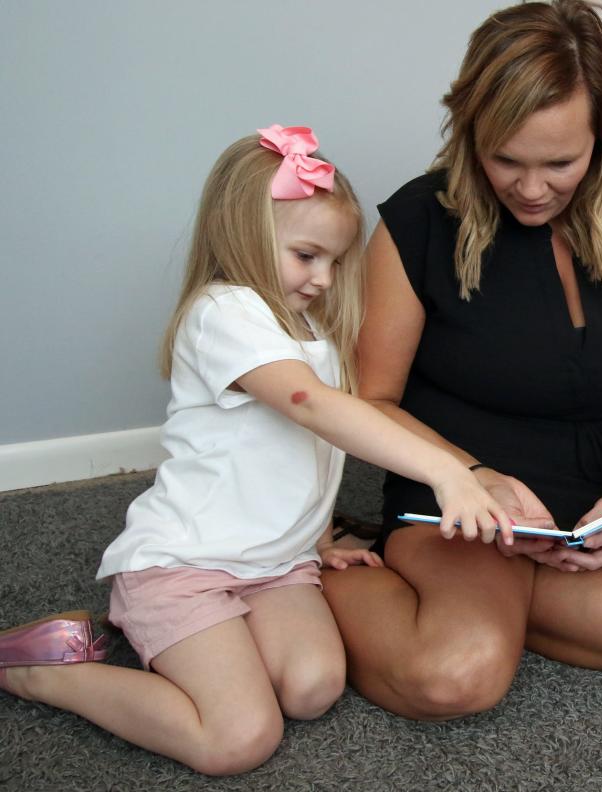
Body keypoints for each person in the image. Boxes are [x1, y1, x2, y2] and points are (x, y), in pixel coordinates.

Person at [0, 125, 509, 774]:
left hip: (276, 563)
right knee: (238, 738)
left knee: (313, 687)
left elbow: (304, 454)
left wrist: (319, 542)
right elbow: (310, 408)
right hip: (185, 564)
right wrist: (444, 470)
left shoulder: (309, 333)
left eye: (335, 261)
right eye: (307, 256)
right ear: (246, 234)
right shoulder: (225, 313)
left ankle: (182, 641)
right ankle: (41, 674)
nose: (325, 279)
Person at [320, 0, 602, 719]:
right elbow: (371, 401)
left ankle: (484, 608)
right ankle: (321, 569)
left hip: (593, 502)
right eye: (505, 159)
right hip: (462, 504)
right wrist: (473, 478)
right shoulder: (416, 221)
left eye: (560, 162)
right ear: (471, 132)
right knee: (453, 680)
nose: (531, 191)